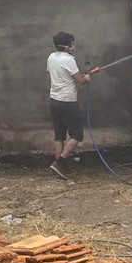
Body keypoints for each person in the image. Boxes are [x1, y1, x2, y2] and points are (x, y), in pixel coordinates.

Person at [47, 32, 90, 179]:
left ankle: (60, 167)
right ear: (66, 46)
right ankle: (60, 162)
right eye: (72, 43)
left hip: (54, 100)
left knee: (59, 135)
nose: (73, 45)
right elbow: (80, 81)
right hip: (68, 102)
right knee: (77, 135)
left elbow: (61, 75)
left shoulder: (51, 57)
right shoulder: (69, 60)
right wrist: (86, 78)